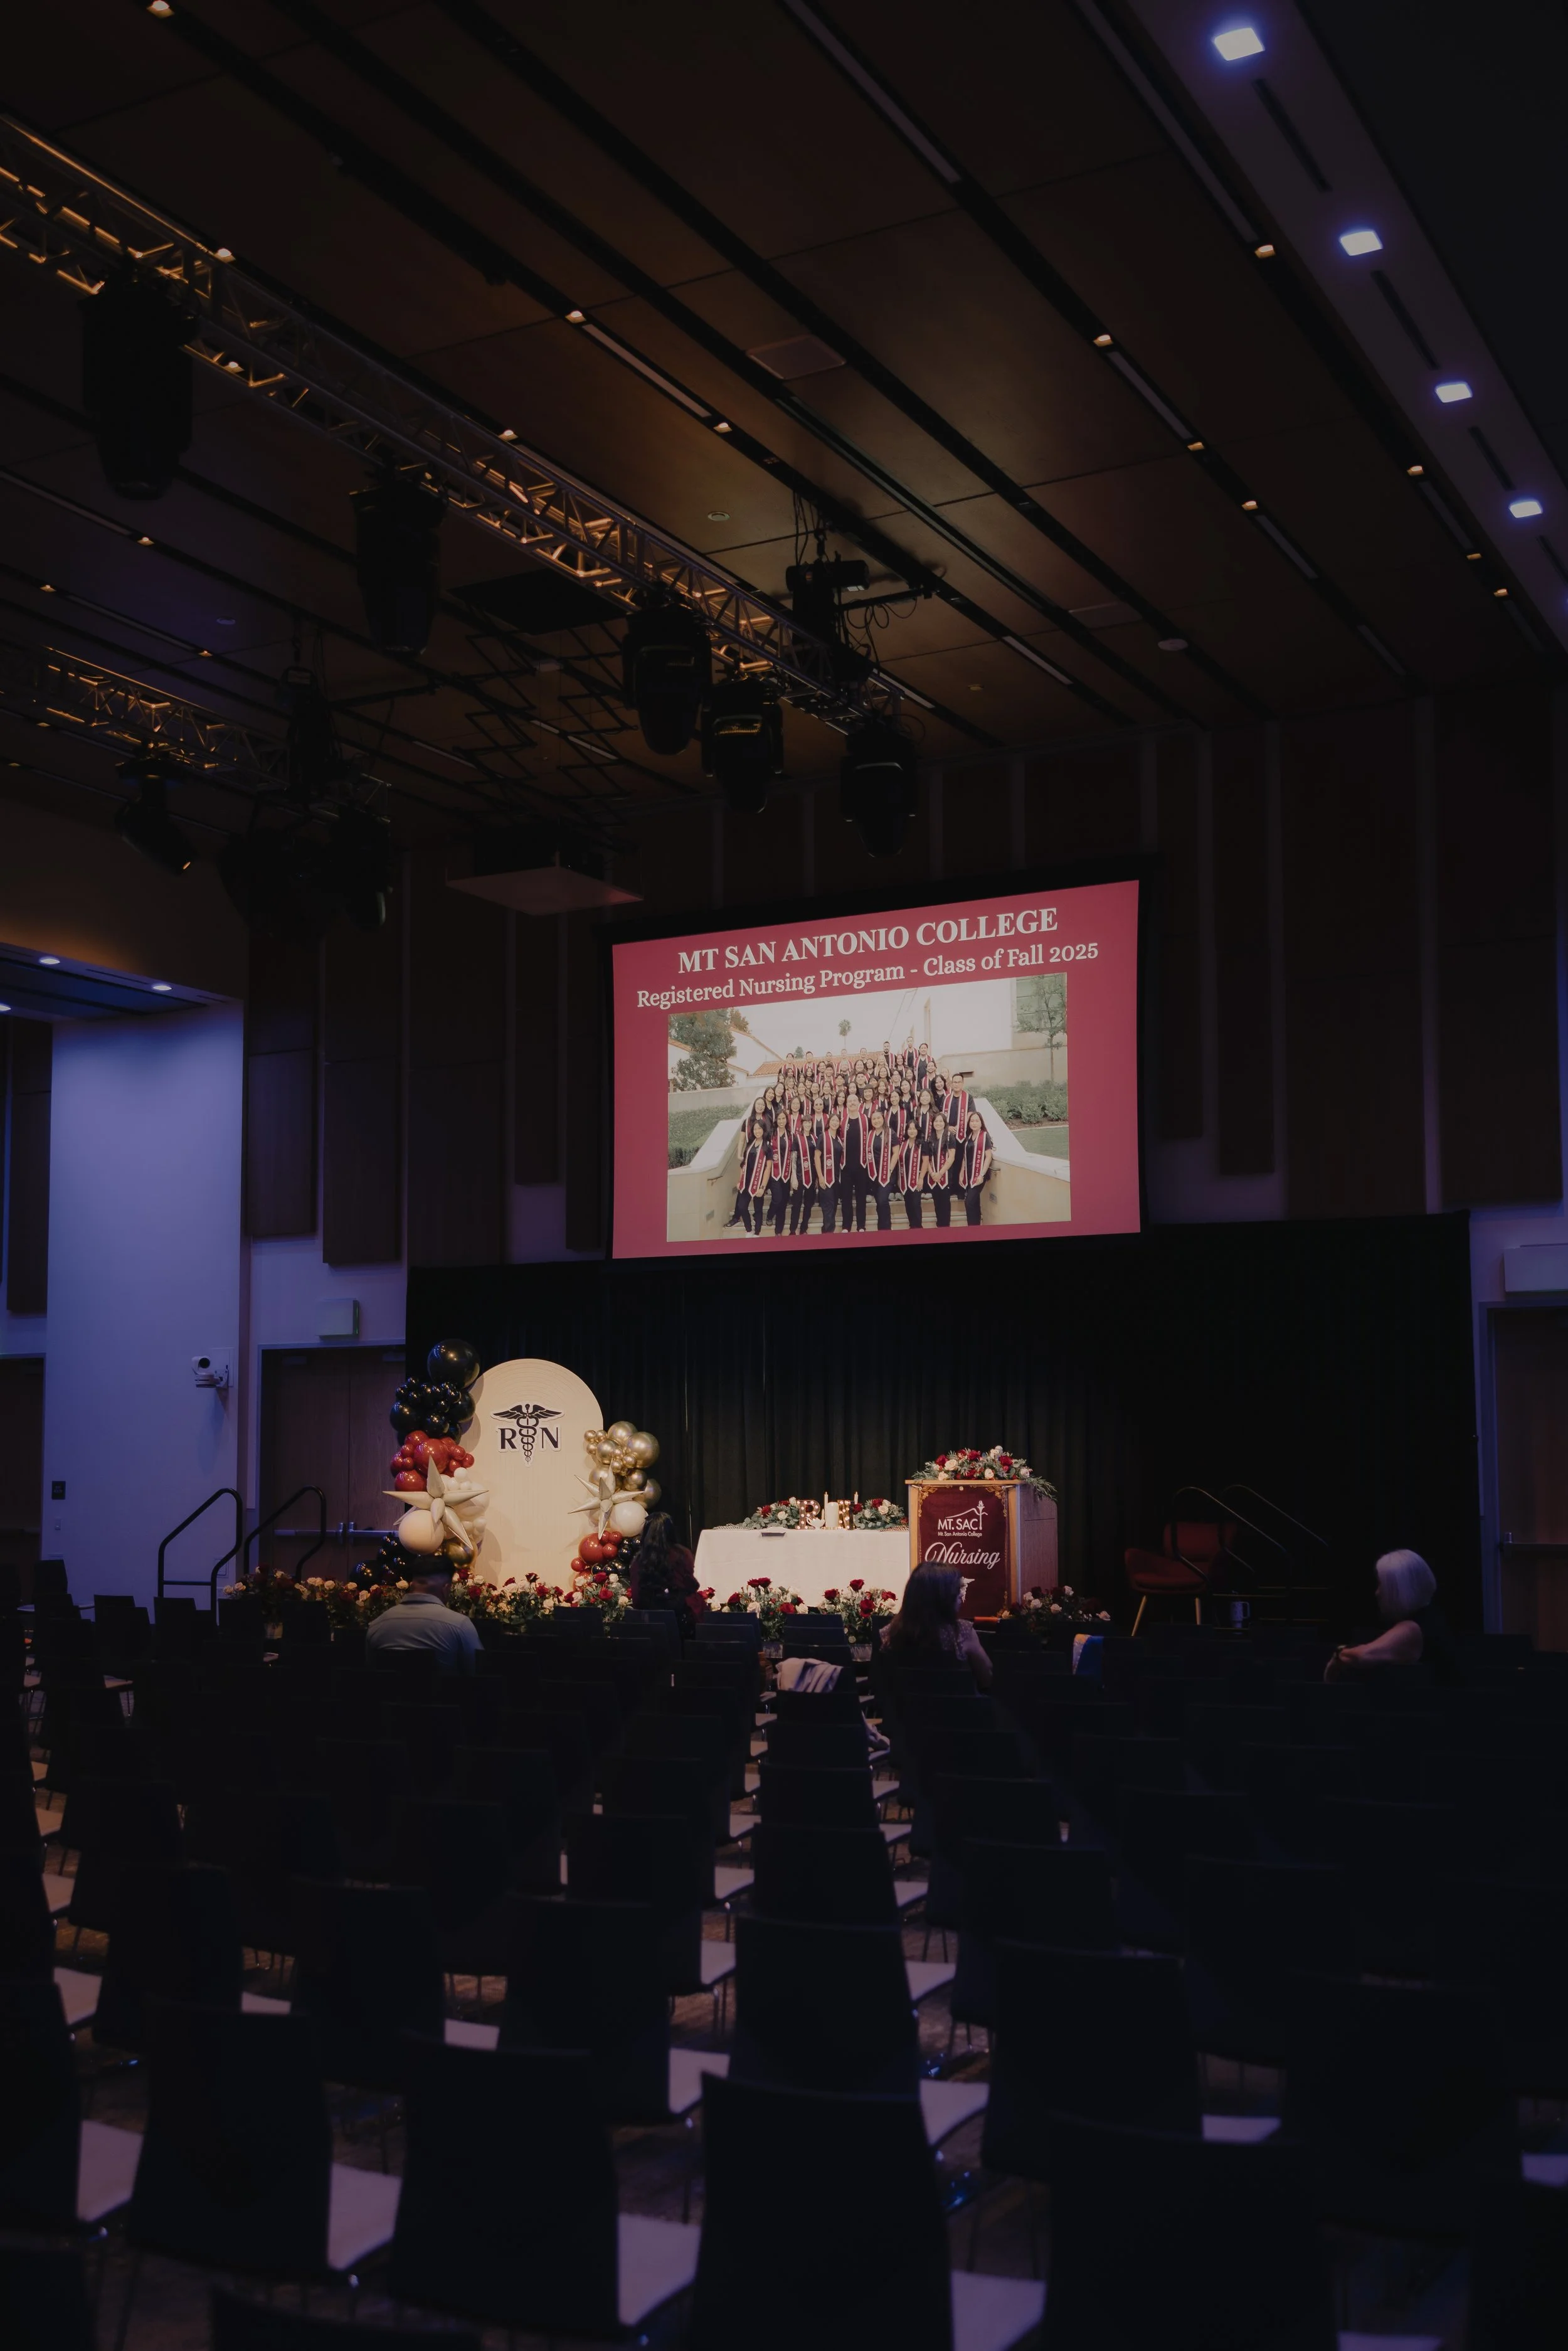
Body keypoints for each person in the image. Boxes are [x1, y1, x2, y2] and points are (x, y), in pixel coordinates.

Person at [1326, 1549, 1463, 1684]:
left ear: (1398, 1590)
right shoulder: (1433, 1617)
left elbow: (1364, 1656)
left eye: (1381, 1585)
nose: (1377, 1593)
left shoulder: (1412, 1629)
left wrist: (1339, 1653)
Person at [882, 1563, 992, 1687]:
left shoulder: (889, 1633)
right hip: (956, 1706)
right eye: (956, 1589)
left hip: (907, 1706)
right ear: (940, 1596)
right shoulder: (963, 1632)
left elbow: (881, 1684)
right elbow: (988, 1678)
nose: (961, 1594)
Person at [364, 1558, 482, 1674]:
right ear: (446, 1589)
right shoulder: (459, 1625)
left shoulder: (377, 1625)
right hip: (443, 1693)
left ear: (411, 1585)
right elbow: (478, 1672)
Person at [627, 1510, 704, 1637]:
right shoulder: (682, 1554)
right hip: (680, 1621)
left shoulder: (638, 1561)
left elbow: (637, 1599)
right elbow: (690, 1586)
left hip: (647, 1622)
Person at [960, 1110, 993, 1226]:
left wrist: (982, 1175)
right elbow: (965, 1157)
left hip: (979, 1175)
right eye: (972, 1121)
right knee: (974, 1202)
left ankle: (973, 1226)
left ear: (981, 1122)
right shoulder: (968, 1137)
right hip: (969, 1174)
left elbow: (988, 1156)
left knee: (969, 1202)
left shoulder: (984, 1136)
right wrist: (961, 1172)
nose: (974, 1123)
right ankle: (975, 1228)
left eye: (977, 1121)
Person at [866, 1108, 896, 1231]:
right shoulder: (870, 1134)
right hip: (874, 1174)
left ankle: (887, 1228)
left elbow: (896, 1152)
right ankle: (881, 1228)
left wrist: (889, 1170)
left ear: (883, 1119)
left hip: (887, 1174)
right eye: (874, 1119)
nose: (876, 1120)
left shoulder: (890, 1133)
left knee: (883, 1200)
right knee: (879, 1202)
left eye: (879, 1118)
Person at [924, 1113, 956, 1226]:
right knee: (937, 1202)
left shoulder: (949, 1137)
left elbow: (951, 1157)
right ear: (933, 1124)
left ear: (945, 1123)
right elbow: (926, 1157)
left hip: (945, 1176)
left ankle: (946, 1227)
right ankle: (939, 1225)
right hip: (933, 1176)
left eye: (941, 1121)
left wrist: (940, 1173)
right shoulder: (930, 1138)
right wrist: (932, 1173)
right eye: (936, 1121)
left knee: (945, 1203)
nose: (938, 1124)